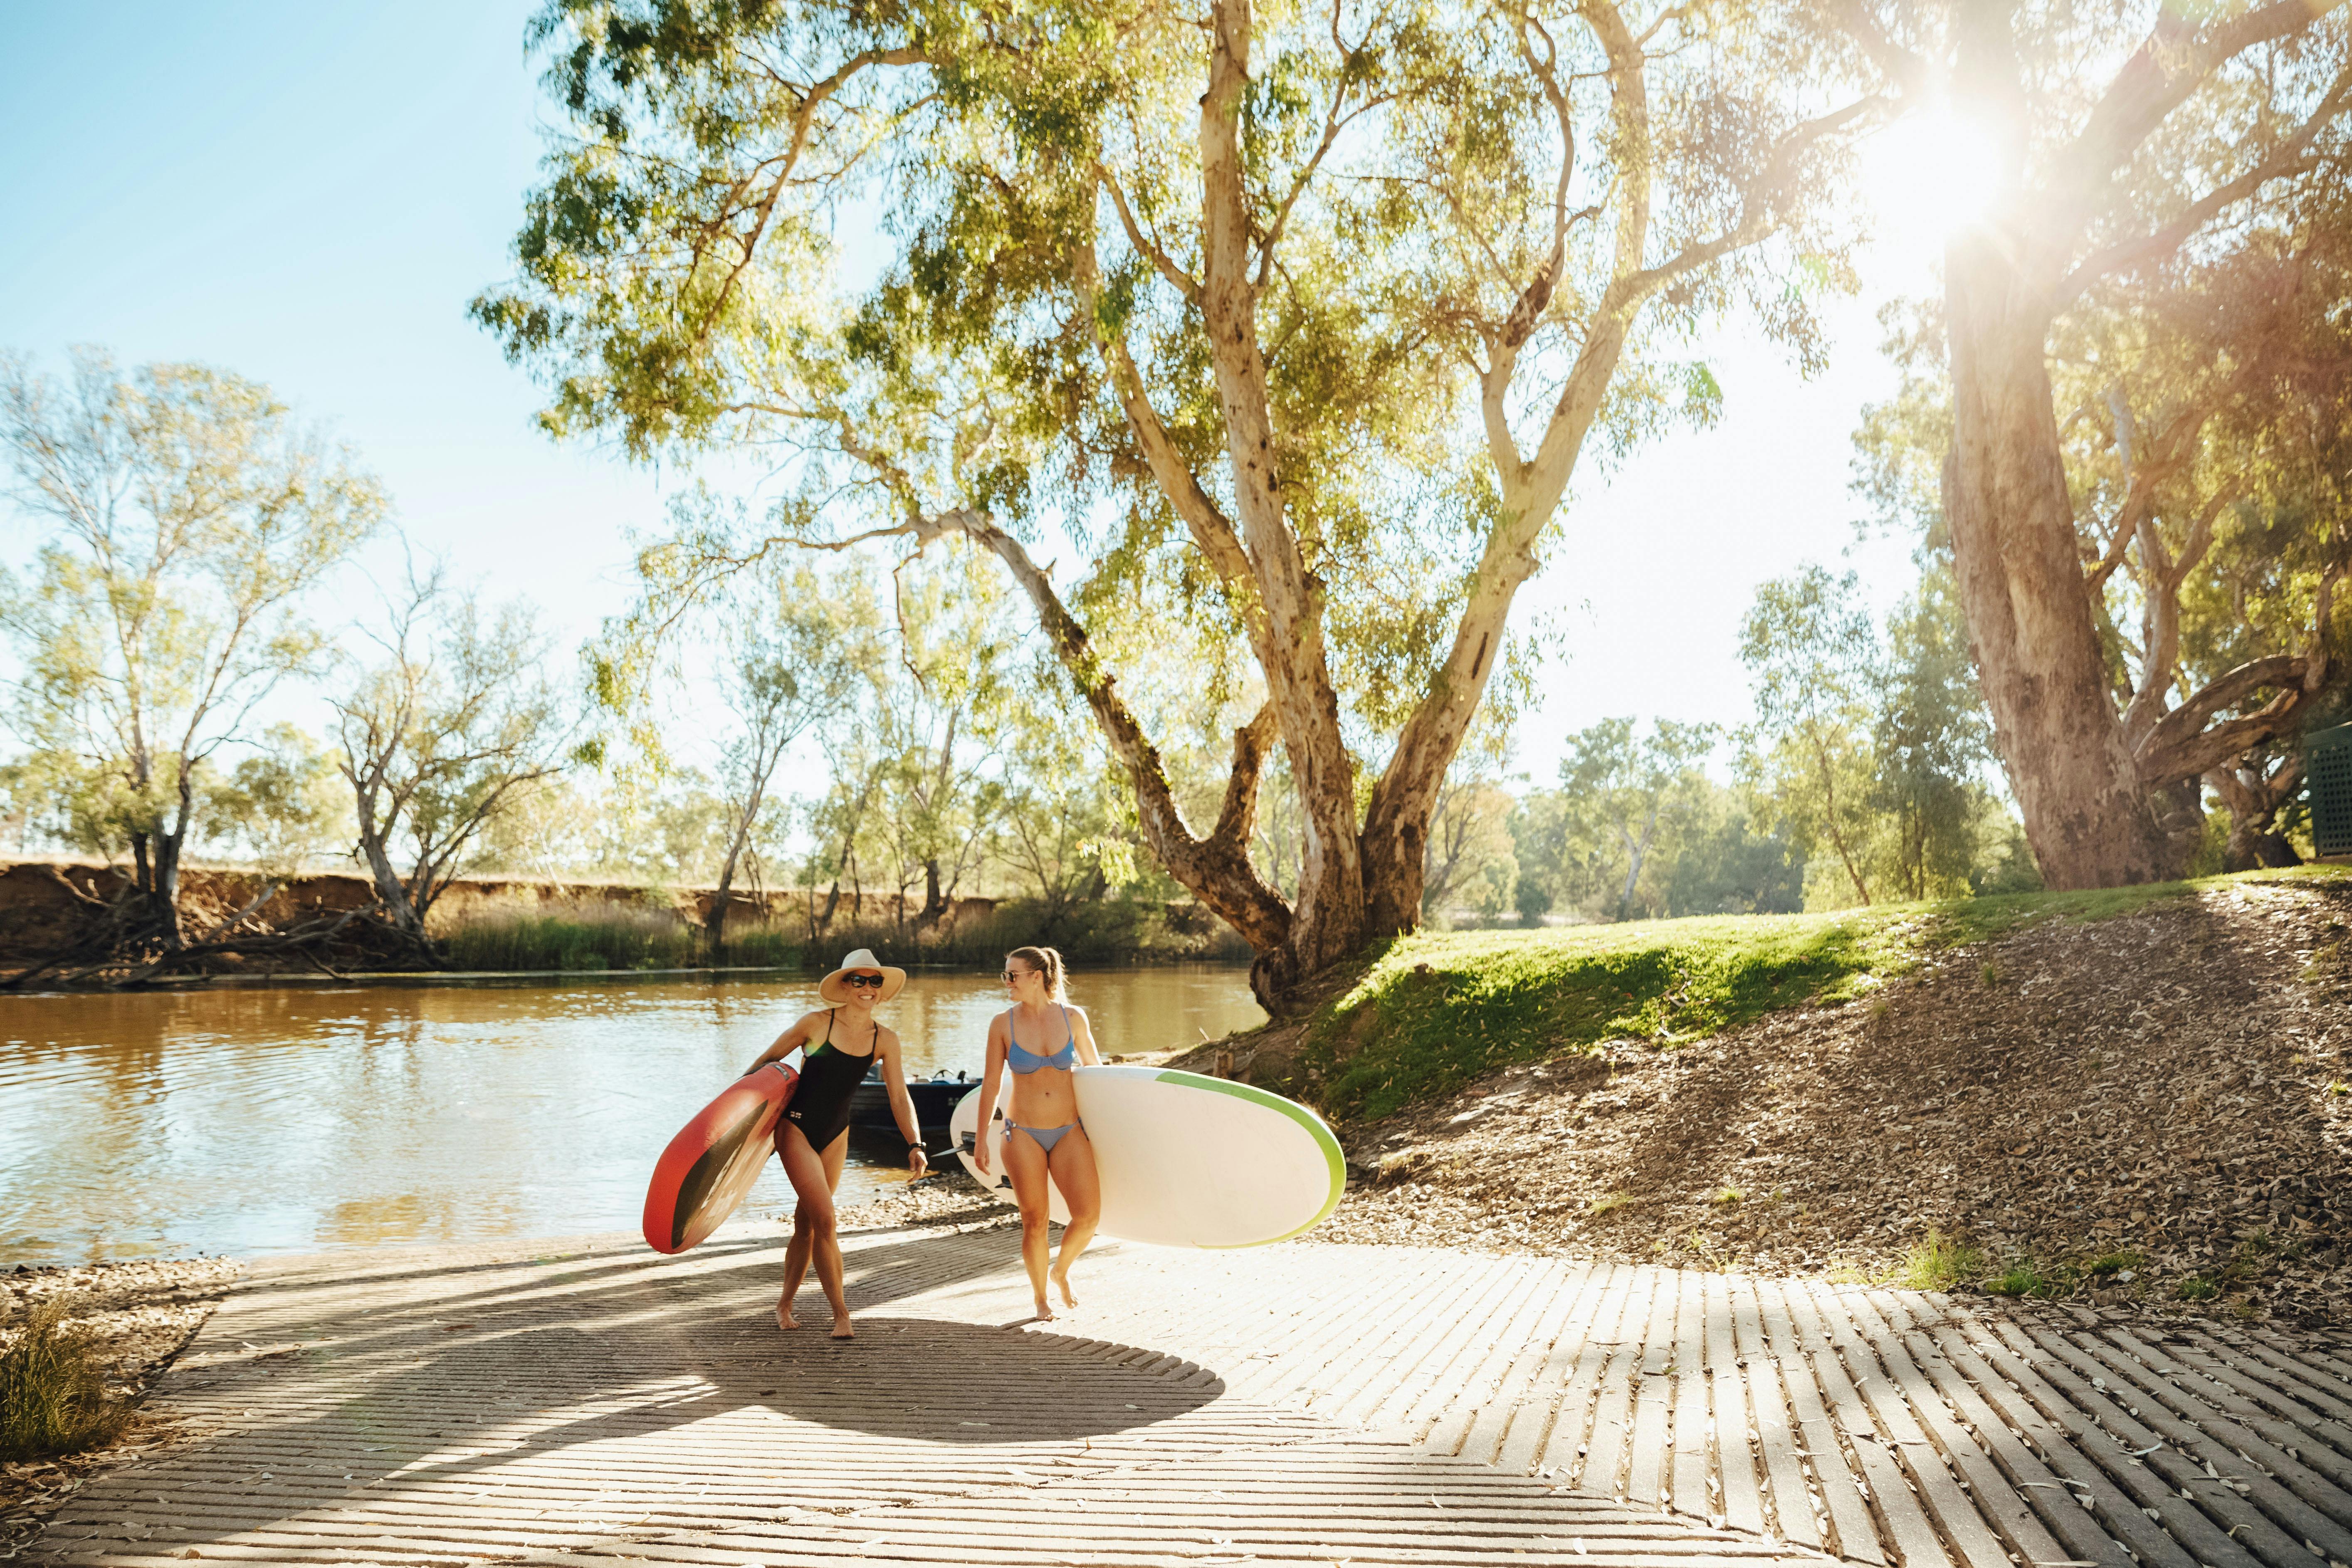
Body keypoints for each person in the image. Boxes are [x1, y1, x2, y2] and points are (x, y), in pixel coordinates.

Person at [741, 948, 926, 1339]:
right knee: (826, 1220)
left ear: (882, 989)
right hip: (796, 1128)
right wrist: (734, 1119)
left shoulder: (885, 1039)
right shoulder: (815, 1024)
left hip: (836, 1135)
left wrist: (916, 1143)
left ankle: (784, 1303)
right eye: (858, 980)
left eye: (875, 981)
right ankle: (841, 1314)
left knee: (807, 1223)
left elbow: (899, 1096)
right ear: (844, 985)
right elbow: (764, 1064)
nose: (867, 987)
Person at [971, 946, 1103, 1320]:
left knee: (1088, 1217)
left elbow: (1097, 1072)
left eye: (1012, 975)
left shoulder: (1074, 1017)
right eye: (1006, 975)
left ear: (1037, 977)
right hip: (1022, 1133)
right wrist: (981, 1139)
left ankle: (1061, 1270)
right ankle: (1041, 1298)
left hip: (1069, 1131)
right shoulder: (1003, 1024)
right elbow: (991, 1084)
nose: (1007, 982)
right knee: (1035, 1220)